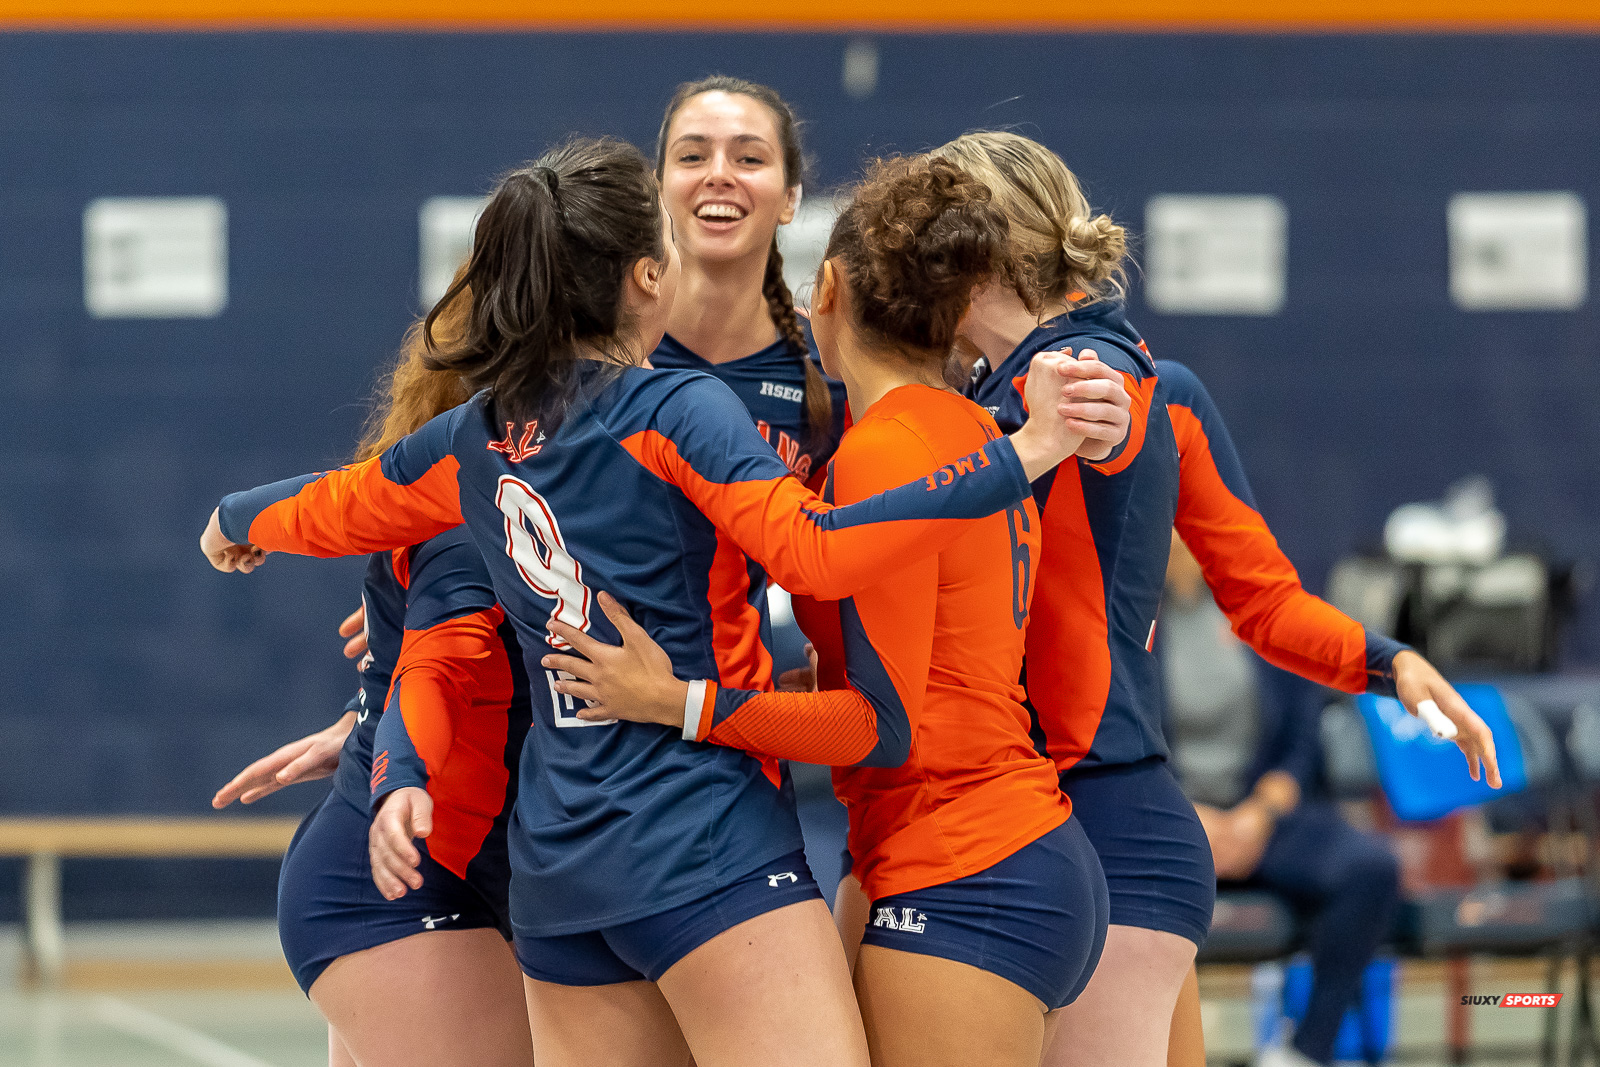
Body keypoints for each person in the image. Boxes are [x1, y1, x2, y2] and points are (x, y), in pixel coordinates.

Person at [199, 137, 1100, 1067]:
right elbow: (817, 555)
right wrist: (1022, 456)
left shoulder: (469, 439)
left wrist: (235, 521)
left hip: (559, 870)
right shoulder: (676, 411)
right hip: (699, 837)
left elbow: (345, 502)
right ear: (645, 279)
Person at [921, 130, 1499, 1067]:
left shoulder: (1102, 380)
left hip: (1103, 820)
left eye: (926, 237)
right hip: (1062, 823)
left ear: (979, 252)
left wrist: (1394, 663)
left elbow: (1261, 599)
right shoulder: (972, 401)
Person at [547, 154, 1116, 1067]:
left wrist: (678, 701)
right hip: (976, 848)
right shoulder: (969, 434)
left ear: (829, 290)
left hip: (965, 861)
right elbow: (945, 658)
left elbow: (880, 729)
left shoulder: (887, 454)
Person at [211, 282, 535, 1067]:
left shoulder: (527, 500)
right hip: (397, 877)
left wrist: (355, 720)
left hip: (427, 865)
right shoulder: (473, 513)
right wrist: (401, 763)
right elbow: (432, 664)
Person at [1162, 532, 1402, 1067]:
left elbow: (1300, 736)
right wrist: (1183, 814)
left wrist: (1260, 813)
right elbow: (1106, 733)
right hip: (1167, 822)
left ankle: (1304, 1052)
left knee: (1370, 868)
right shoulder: (1118, 613)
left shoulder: (1255, 606)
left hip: (1257, 821)